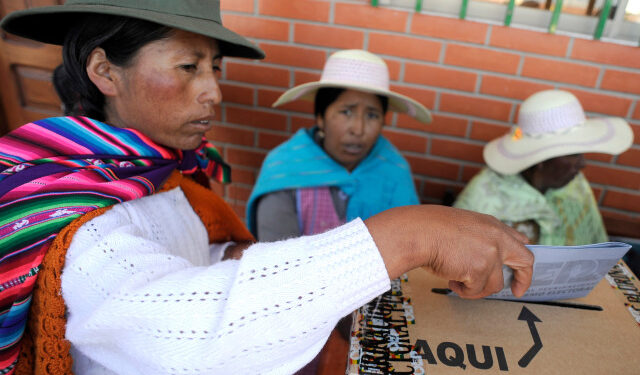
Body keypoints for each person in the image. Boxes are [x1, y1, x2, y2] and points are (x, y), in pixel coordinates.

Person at [0, 1, 534, 374]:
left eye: (214, 66)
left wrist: (229, 252)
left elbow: (187, 250)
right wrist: (409, 235)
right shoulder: (79, 221)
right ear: (105, 71)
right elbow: (187, 332)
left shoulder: (155, 174)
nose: (212, 90)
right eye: (187, 67)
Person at [246, 49, 430, 242]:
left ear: (383, 121)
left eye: (372, 115)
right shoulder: (283, 169)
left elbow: (411, 248)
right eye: (346, 112)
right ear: (320, 117)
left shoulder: (394, 171)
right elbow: (277, 262)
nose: (358, 129)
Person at [454, 89, 633, 246]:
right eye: (574, 154)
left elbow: (596, 246)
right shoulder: (485, 193)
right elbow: (456, 252)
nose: (582, 164)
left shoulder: (577, 186)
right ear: (541, 160)